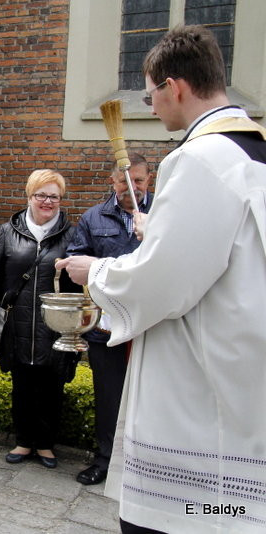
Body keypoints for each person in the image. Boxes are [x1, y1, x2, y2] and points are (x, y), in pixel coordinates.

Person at [57, 25, 266, 534]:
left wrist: (97, 271)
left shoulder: (198, 160)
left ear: (175, 87)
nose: (149, 106)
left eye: (150, 94)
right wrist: (161, 232)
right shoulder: (250, 154)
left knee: (188, 518)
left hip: (198, 384)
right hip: (245, 366)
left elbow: (162, 283)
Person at [0, 169, 78, 469]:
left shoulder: (72, 234)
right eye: (41, 195)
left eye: (54, 196)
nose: (47, 201)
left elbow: (79, 285)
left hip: (55, 324)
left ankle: (46, 445)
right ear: (29, 196)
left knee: (52, 384)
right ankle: (23, 442)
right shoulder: (8, 231)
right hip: (17, 320)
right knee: (21, 382)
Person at [65, 152, 153, 487]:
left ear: (150, 179)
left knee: (151, 398)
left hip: (153, 324)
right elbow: (76, 262)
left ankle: (146, 467)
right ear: (112, 181)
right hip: (108, 324)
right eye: (123, 182)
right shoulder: (93, 218)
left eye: (139, 181)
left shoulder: (164, 213)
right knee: (109, 395)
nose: (132, 188)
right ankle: (105, 460)